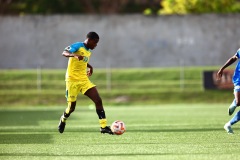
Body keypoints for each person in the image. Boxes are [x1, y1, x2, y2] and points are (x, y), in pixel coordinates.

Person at [58, 31, 113, 135]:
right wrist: (74, 55)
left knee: (98, 100)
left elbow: (83, 60)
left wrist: (89, 66)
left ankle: (103, 126)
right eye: (95, 42)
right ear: (89, 40)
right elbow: (64, 52)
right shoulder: (78, 46)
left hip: (83, 80)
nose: (96, 45)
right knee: (71, 108)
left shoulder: (88, 50)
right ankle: (63, 119)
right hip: (72, 80)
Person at [217, 48, 240, 134]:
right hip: (239, 78)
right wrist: (222, 68)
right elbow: (234, 58)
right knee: (238, 102)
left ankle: (228, 124)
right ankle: (234, 103)